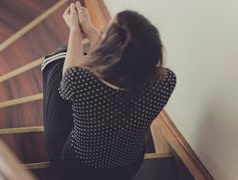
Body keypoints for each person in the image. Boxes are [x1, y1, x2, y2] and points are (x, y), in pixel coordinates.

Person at [42, 2, 176, 180]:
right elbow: (121, 61)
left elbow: (66, 86)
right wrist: (89, 29)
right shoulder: (166, 81)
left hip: (76, 166)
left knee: (56, 63)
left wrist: (74, 30)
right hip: (127, 167)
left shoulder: (80, 80)